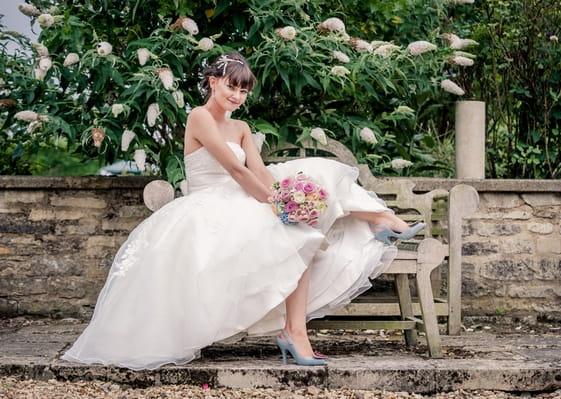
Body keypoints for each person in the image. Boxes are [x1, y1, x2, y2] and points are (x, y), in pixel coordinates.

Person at [61, 52, 425, 370]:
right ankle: (297, 327)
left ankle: (376, 225)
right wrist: (274, 202)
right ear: (212, 82)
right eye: (230, 88)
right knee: (297, 233)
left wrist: (288, 197)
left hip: (245, 196)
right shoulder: (199, 117)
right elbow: (235, 171)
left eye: (243, 91)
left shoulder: (242, 126)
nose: (236, 96)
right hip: (211, 203)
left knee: (313, 187)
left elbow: (260, 170)